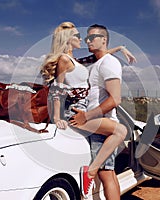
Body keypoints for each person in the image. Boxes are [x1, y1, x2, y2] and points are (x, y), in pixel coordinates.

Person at [41, 22, 134, 199]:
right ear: (67, 40)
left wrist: (121, 48)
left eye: (88, 37)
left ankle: (90, 172)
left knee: (110, 166)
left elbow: (102, 54)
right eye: (77, 36)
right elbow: (57, 90)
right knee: (121, 131)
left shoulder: (76, 60)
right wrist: (56, 116)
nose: (81, 39)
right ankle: (90, 173)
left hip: (84, 110)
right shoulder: (63, 59)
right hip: (74, 112)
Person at [69, 24, 125, 200]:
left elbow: (115, 99)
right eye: (87, 38)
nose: (88, 41)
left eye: (93, 37)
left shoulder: (109, 63)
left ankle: (90, 173)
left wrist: (86, 116)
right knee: (109, 172)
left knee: (105, 174)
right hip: (100, 123)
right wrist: (121, 48)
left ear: (104, 40)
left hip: (102, 124)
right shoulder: (97, 62)